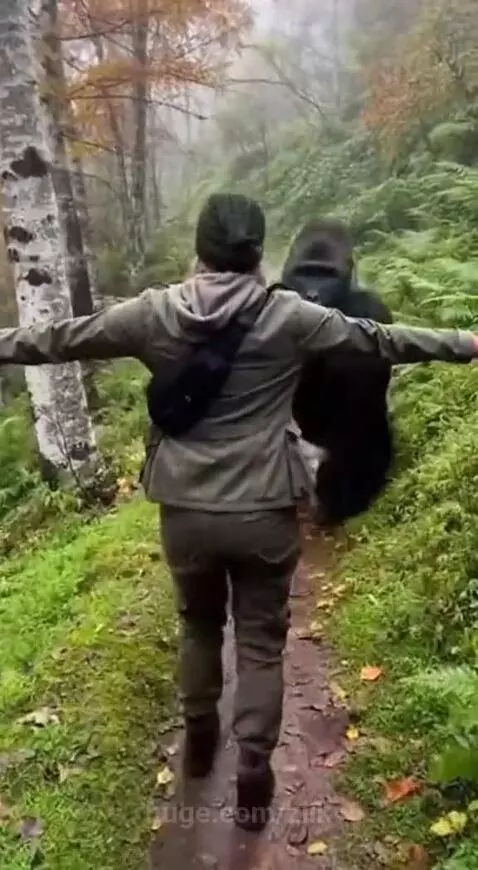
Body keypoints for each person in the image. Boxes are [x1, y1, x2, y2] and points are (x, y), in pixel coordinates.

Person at [0, 193, 476, 832]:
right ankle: (253, 764)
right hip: (264, 511)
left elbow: (60, 339)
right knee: (259, 642)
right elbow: (382, 341)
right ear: (257, 255)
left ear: (199, 248)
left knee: (198, 624)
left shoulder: (152, 314)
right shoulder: (289, 317)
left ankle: (200, 735)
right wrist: (467, 341)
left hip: (186, 512)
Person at [282, 218, 395, 525]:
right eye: (306, 275)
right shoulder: (272, 309)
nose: (314, 293)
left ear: (349, 274)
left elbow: (372, 398)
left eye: (324, 277)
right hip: (296, 425)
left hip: (348, 429)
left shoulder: (369, 313)